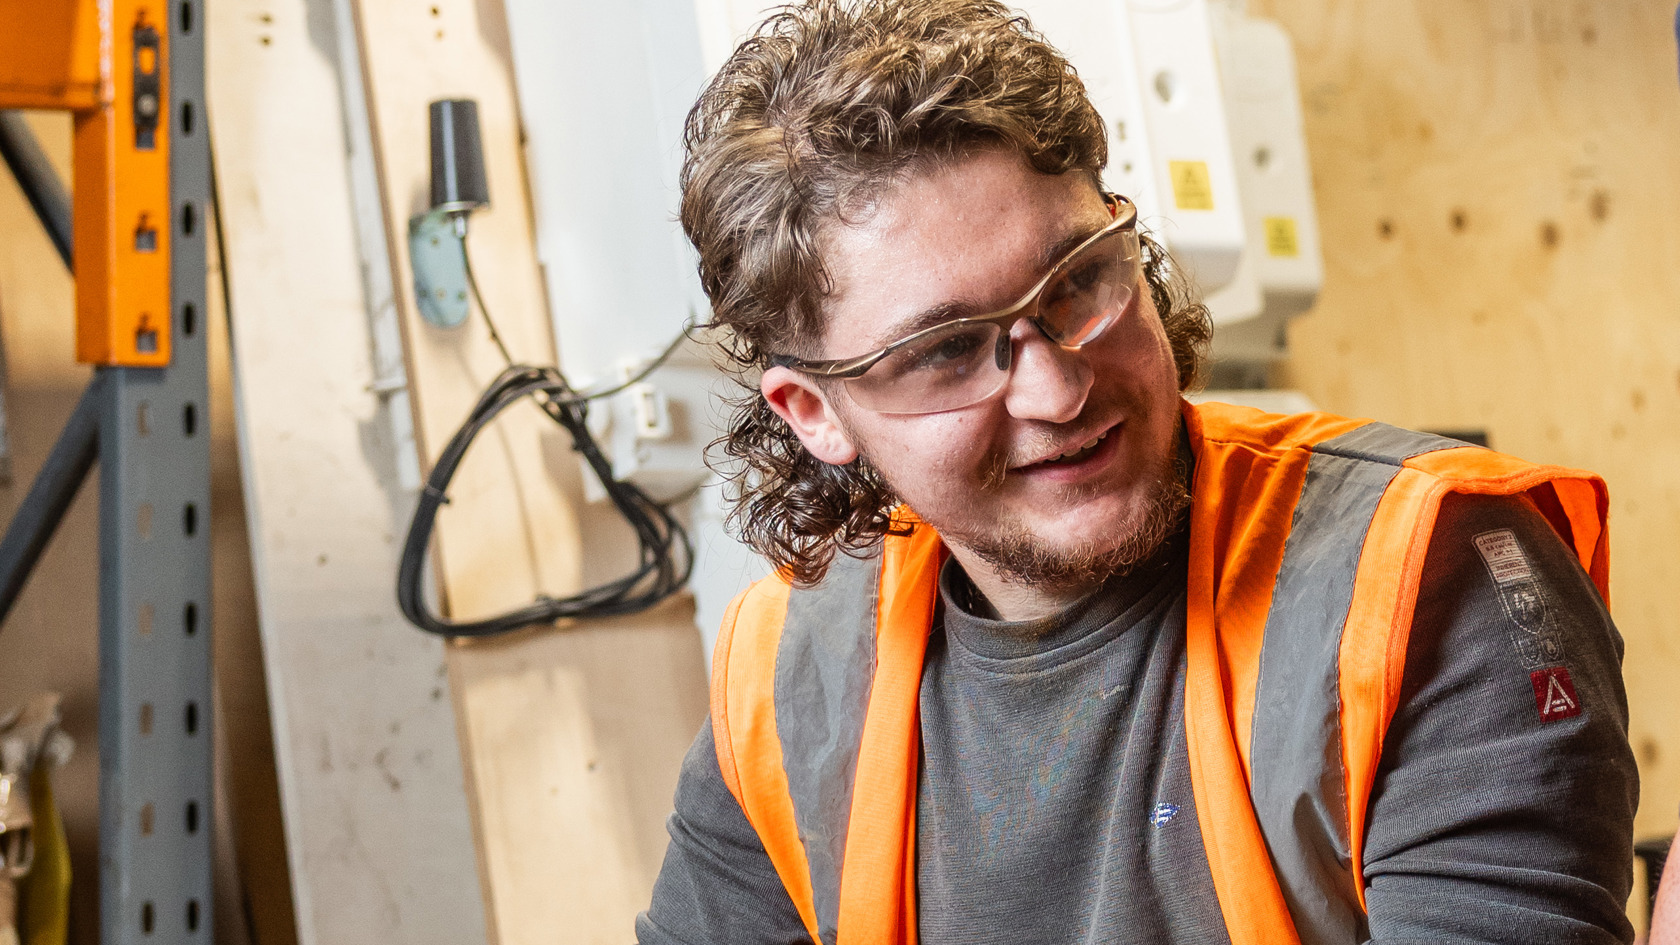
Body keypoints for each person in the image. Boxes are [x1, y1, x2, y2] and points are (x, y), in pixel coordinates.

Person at [637, 2, 1639, 943]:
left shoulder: (1423, 571)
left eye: (1077, 281)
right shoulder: (789, 676)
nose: (1056, 389)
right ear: (815, 413)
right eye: (946, 349)